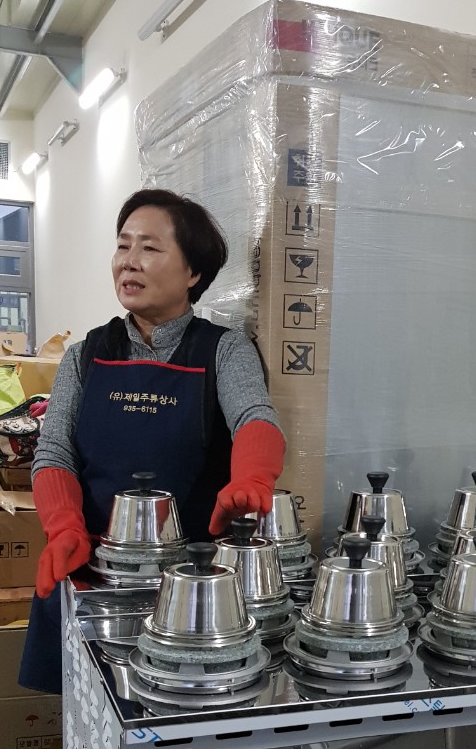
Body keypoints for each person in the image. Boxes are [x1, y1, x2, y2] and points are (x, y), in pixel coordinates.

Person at [19, 188, 285, 693]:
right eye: (123, 245)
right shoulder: (85, 356)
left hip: (191, 590)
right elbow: (53, 453)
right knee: (85, 711)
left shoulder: (223, 351)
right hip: (93, 569)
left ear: (193, 272)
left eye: (150, 247)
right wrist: (63, 526)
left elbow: (255, 416)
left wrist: (253, 476)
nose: (129, 261)